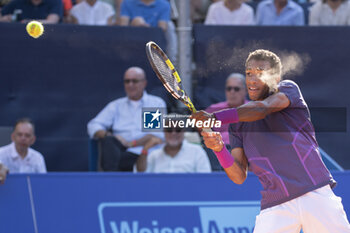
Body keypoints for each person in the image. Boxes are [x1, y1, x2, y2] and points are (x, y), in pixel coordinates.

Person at [192, 49, 350, 232]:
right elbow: (238, 176)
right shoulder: (237, 126)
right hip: (275, 207)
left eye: (260, 74)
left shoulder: (288, 90)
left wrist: (214, 118)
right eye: (249, 73)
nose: (252, 79)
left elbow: (262, 108)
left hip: (315, 195)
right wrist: (219, 149)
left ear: (275, 78)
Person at [87, 66, 167, 171]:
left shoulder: (153, 103)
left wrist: (131, 143)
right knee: (108, 141)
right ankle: (109, 181)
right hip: (119, 152)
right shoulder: (116, 105)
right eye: (127, 81)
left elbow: (153, 136)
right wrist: (111, 136)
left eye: (134, 81)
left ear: (144, 83)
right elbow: (93, 125)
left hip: (144, 152)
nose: (130, 85)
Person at [136, 122, 211, 173]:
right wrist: (145, 149)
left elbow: (205, 179)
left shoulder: (197, 151)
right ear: (164, 132)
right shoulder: (154, 154)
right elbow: (140, 175)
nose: (173, 133)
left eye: (178, 130)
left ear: (183, 132)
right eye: (169, 130)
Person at [205, 73, 247, 145]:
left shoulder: (253, 109)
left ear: (245, 91)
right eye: (229, 89)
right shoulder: (214, 109)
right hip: (218, 150)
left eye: (236, 89)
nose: (232, 92)